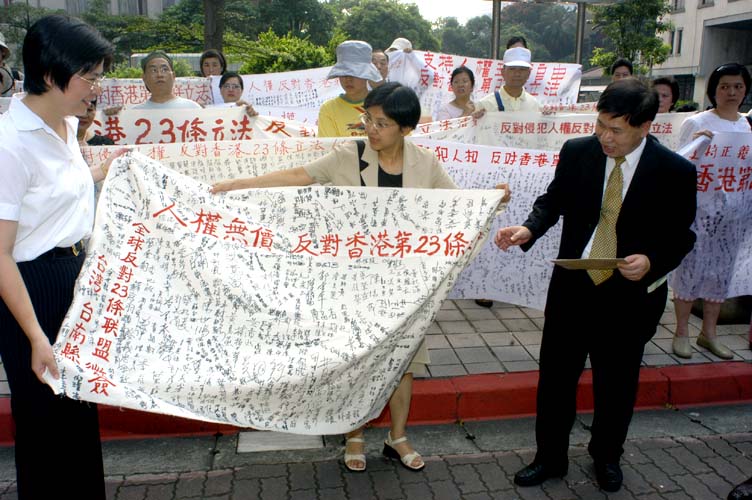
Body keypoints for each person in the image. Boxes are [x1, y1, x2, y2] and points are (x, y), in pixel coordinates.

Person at [213, 82, 511, 473]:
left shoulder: (425, 163)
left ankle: (397, 437)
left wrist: (492, 198)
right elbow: (299, 175)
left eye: (382, 123)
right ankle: (353, 434)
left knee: (405, 361)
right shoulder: (349, 156)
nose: (371, 128)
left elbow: (457, 207)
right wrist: (236, 185)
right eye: (368, 119)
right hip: (354, 282)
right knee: (359, 360)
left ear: (406, 128)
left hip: (406, 284)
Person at [494, 78, 696, 493]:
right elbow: (553, 201)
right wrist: (529, 229)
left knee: (616, 385)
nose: (605, 137)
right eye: (600, 125)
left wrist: (652, 260)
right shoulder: (578, 152)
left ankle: (606, 456)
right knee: (556, 380)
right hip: (573, 287)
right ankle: (549, 457)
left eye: (616, 130)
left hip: (629, 297)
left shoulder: (675, 171)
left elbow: (682, 236)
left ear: (645, 126)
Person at [0, 14, 125, 499]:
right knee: (44, 424)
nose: (97, 88)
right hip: (30, 290)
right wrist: (36, 336)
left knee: (77, 414)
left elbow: (57, 193)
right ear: (51, 75)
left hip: (75, 278)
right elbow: (1, 254)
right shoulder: (10, 144)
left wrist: (104, 170)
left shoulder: (67, 126)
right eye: (89, 77)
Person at [670, 62, 751, 360]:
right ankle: (681, 332)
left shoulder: (747, 126)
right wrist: (696, 145)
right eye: (724, 86)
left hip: (734, 215)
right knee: (690, 271)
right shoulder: (697, 122)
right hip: (700, 212)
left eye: (738, 87)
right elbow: (679, 163)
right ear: (713, 90)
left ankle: (709, 333)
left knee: (721, 274)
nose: (731, 92)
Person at [317, 40, 382, 137]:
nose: (348, 79)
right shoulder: (329, 109)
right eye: (344, 73)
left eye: (355, 73)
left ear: (367, 74)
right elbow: (329, 144)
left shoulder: (384, 105)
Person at [473, 47, 539, 116]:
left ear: (528, 74)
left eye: (522, 69)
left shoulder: (534, 105)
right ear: (502, 72)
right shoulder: (486, 104)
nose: (517, 74)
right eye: (512, 69)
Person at [133, 51, 202, 110]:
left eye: (164, 70)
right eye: (153, 70)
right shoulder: (135, 113)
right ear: (144, 78)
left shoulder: (192, 108)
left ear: (173, 76)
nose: (159, 75)